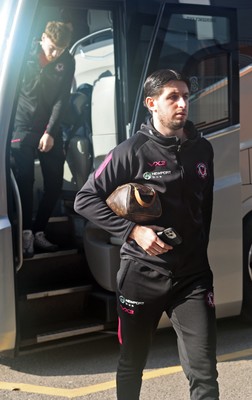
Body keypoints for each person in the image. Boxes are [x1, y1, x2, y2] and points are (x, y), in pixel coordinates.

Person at [74, 69, 219, 400]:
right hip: (141, 275)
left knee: (204, 371)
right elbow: (85, 199)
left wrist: (199, 257)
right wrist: (133, 231)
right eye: (173, 97)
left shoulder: (203, 150)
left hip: (192, 278)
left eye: (185, 96)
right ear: (152, 104)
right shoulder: (131, 151)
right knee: (131, 365)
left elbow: (205, 208)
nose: (182, 103)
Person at [11, 21, 75, 258]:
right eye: (52, 47)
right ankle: (25, 232)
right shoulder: (23, 55)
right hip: (21, 125)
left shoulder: (67, 61)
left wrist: (50, 131)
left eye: (61, 49)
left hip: (49, 127)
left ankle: (39, 231)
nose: (55, 53)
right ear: (43, 38)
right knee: (25, 179)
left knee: (54, 183)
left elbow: (62, 99)